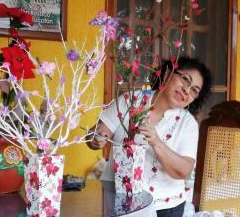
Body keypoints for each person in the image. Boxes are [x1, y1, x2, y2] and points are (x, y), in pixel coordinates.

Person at [87, 56, 212, 217]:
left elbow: (184, 171)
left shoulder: (188, 124)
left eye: (194, 90)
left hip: (165, 208)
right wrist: (95, 138)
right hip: (117, 200)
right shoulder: (130, 100)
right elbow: (94, 136)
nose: (187, 90)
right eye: (185, 80)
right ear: (168, 73)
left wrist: (156, 142)